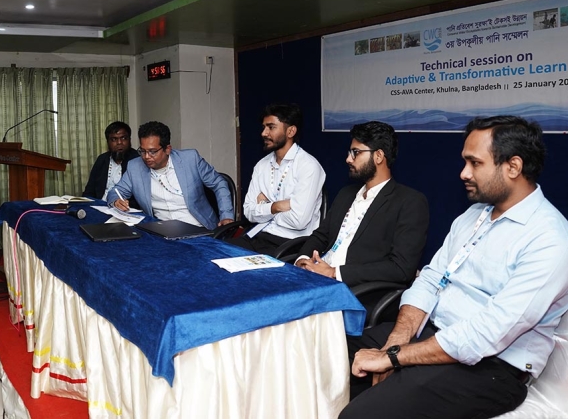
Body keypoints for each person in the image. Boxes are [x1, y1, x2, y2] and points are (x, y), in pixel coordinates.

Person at [341, 116, 568, 419]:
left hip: (490, 367)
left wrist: (393, 358)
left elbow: (486, 334)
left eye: (475, 163)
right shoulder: (473, 216)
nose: (464, 173)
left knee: (361, 415)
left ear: (513, 167)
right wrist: (395, 342)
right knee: (329, 355)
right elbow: (430, 279)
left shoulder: (550, 239)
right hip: (431, 336)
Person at [295, 121, 429, 288]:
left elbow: (401, 268)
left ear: (378, 156)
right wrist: (302, 260)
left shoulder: (409, 202)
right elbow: (321, 236)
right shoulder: (346, 193)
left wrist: (334, 272)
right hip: (316, 276)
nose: (348, 159)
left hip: (353, 289)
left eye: (356, 153)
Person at [229, 103, 325, 255]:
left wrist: (264, 206)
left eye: (271, 127)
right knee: (215, 253)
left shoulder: (308, 166)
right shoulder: (262, 165)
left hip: (289, 243)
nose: (264, 133)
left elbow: (298, 221)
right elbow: (248, 212)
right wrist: (276, 206)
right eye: (264, 127)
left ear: (291, 131)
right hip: (258, 234)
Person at [107, 121, 234, 230]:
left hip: (199, 228)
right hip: (161, 231)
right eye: (143, 151)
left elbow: (219, 183)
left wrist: (226, 215)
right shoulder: (135, 167)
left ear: (167, 149)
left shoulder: (190, 159)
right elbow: (115, 192)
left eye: (152, 151)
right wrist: (116, 201)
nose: (146, 157)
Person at [83, 121, 139, 200]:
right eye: (114, 139)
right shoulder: (102, 160)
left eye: (123, 138)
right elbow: (89, 191)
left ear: (129, 140)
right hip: (99, 204)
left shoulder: (137, 161)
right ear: (108, 142)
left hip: (124, 206)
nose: (119, 142)